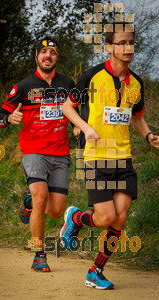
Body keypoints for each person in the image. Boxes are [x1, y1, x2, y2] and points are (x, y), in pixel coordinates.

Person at [60, 22, 159, 289]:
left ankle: (96, 270)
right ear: (109, 46)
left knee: (121, 218)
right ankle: (76, 218)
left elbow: (136, 118)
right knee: (105, 218)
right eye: (121, 43)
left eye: (131, 43)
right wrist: (85, 127)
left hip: (123, 158)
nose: (128, 48)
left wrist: (149, 136)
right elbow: (68, 107)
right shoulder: (91, 77)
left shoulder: (136, 83)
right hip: (94, 157)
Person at [0, 36, 78, 272]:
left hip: (60, 153)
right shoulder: (23, 87)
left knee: (55, 210)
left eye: (52, 52)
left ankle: (28, 199)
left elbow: (75, 113)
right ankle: (38, 254)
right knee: (42, 200)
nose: (47, 56)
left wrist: (77, 126)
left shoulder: (68, 84)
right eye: (43, 52)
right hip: (34, 151)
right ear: (37, 56)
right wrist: (9, 118)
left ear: (57, 57)